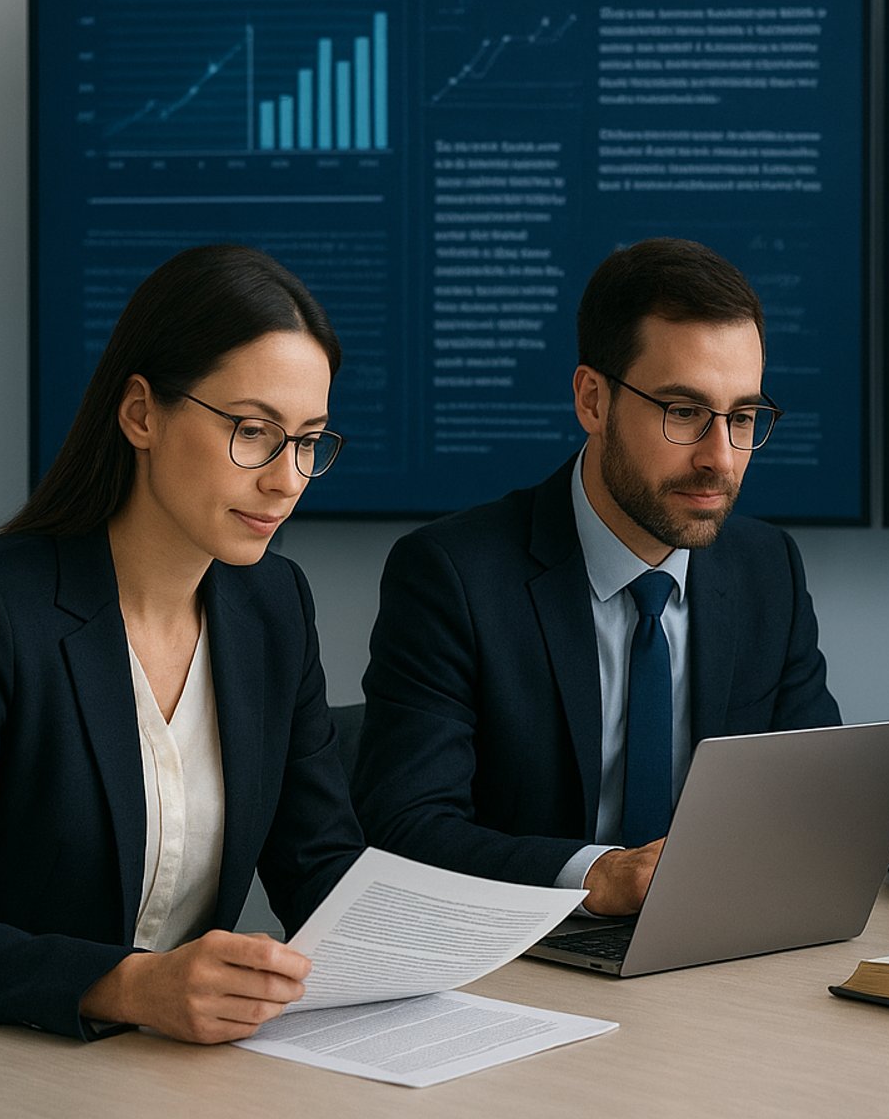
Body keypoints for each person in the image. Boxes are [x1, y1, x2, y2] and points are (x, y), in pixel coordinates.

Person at [352, 237, 840, 916]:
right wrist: (597, 877)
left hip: (712, 956)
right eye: (684, 412)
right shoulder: (452, 575)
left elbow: (817, 803)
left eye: (743, 418)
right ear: (593, 401)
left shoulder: (767, 571)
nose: (720, 459)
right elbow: (405, 831)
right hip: (522, 968)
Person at [0, 245, 363, 1042]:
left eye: (309, 439)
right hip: (14, 1064)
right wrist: (131, 987)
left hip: (184, 1072)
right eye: (254, 431)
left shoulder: (275, 607)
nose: (287, 478)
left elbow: (321, 869)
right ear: (141, 412)